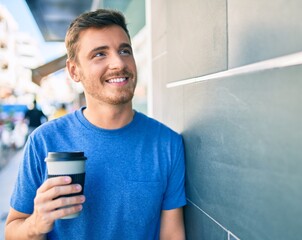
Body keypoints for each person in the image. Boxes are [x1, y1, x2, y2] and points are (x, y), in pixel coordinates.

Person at [5, 9, 186, 239]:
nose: (118, 62)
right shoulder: (44, 141)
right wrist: (36, 223)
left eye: (124, 50)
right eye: (100, 54)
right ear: (74, 71)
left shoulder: (167, 144)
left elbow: (172, 235)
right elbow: (12, 231)